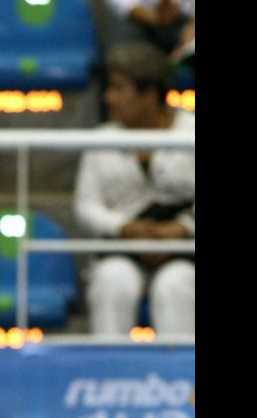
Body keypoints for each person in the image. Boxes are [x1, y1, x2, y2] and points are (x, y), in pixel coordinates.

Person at [73, 41, 194, 336]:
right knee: (112, 281)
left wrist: (181, 228)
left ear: (149, 95)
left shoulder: (191, 132)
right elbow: (86, 206)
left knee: (175, 285)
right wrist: (126, 228)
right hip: (122, 248)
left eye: (117, 88)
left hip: (185, 249)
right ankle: (107, 374)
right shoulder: (100, 140)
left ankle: (181, 379)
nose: (108, 98)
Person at [105, 0, 195, 57]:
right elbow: (128, 7)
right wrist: (159, 19)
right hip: (141, 23)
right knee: (119, 53)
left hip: (181, 22)